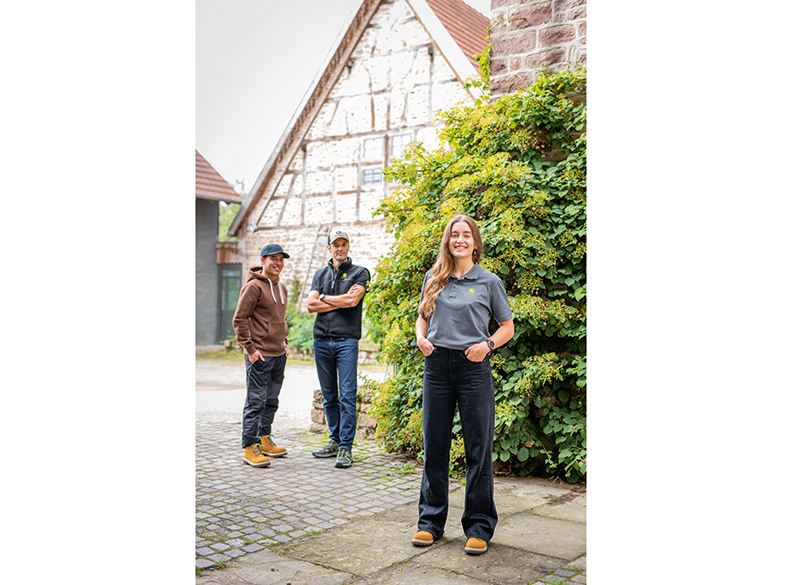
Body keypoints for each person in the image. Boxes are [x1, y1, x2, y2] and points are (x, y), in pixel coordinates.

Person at [411, 215, 515, 556]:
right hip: (436, 367)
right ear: (448, 241)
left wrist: (487, 345)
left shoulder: (489, 282)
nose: (460, 240)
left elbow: (507, 326)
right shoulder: (434, 277)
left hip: (473, 367)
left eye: (466, 235)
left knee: (478, 448)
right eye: (454, 235)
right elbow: (422, 317)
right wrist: (421, 338)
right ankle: (430, 522)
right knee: (434, 445)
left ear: (475, 243)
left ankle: (479, 526)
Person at [306, 229, 370, 469]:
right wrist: (339, 300)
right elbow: (310, 306)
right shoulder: (320, 274)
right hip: (321, 341)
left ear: (348, 247)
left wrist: (323, 298)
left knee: (347, 395)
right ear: (329, 248)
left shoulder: (360, 273)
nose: (340, 248)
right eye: (336, 244)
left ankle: (345, 447)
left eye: (344, 244)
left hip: (346, 342)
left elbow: (352, 301)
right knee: (329, 396)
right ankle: (334, 440)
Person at [232, 243, 292, 468]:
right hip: (259, 355)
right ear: (263, 260)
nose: (278, 263)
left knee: (271, 401)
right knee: (255, 401)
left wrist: (284, 343)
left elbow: (280, 320)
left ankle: (265, 439)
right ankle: (250, 447)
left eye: (281, 259)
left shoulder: (282, 288)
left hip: (278, 354)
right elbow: (239, 319)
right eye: (273, 258)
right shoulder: (253, 287)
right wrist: (250, 349)